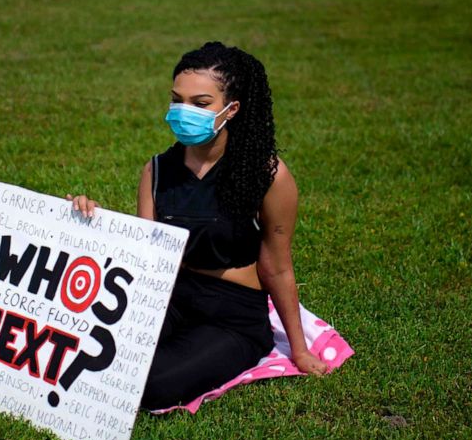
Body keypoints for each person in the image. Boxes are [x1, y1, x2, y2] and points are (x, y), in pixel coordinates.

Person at [66, 41, 329, 411]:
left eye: (200, 104)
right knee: (85, 356)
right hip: (169, 297)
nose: (183, 111)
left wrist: (299, 351)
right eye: (177, 100)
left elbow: (277, 266)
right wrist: (88, 219)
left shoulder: (268, 176)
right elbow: (145, 249)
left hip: (232, 316)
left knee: (151, 385)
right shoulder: (156, 170)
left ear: (231, 109)